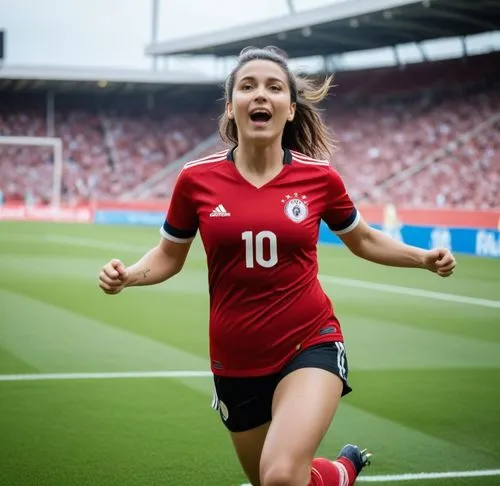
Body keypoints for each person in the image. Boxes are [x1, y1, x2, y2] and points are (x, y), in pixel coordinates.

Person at [98, 46, 456, 486]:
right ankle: (342, 471)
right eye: (247, 87)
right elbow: (169, 256)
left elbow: (361, 239)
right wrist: (129, 275)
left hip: (310, 344)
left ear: (289, 109)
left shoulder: (319, 177)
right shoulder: (195, 180)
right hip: (234, 361)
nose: (260, 95)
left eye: (274, 87)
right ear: (231, 108)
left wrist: (422, 258)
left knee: (281, 477)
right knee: (281, 480)